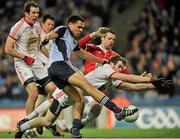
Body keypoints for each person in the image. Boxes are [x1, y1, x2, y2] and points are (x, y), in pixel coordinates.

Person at [15, 15, 138, 138]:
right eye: (78, 27)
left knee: (77, 101)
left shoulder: (73, 41)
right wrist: (46, 38)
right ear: (70, 24)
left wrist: (103, 61)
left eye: (82, 28)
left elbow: (84, 54)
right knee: (88, 86)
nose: (80, 30)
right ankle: (117, 110)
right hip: (60, 65)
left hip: (54, 72)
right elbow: (52, 34)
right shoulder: (63, 29)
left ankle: (24, 126)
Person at [14, 55, 172, 138]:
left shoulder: (111, 78)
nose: (121, 69)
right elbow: (129, 78)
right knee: (49, 115)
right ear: (111, 63)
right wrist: (151, 79)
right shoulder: (105, 69)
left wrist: (154, 85)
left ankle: (24, 126)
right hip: (67, 92)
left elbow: (133, 87)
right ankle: (26, 124)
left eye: (122, 68)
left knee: (50, 118)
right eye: (119, 66)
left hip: (76, 96)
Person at [4, 2, 58, 137]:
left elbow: (40, 47)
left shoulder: (37, 28)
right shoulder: (18, 27)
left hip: (36, 62)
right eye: (33, 13)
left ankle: (43, 120)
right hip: (22, 63)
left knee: (55, 92)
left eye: (37, 13)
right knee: (34, 93)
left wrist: (52, 60)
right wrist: (24, 57)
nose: (36, 15)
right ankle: (27, 128)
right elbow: (7, 49)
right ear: (26, 13)